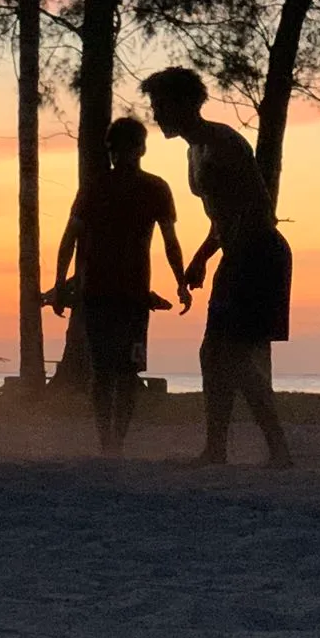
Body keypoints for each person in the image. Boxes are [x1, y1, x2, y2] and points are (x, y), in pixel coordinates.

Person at [139, 68, 294, 468]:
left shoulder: (223, 143)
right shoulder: (194, 151)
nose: (156, 115)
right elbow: (221, 217)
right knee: (217, 355)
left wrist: (234, 258)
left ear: (185, 104)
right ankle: (221, 447)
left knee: (232, 354)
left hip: (258, 253)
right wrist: (203, 257)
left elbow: (254, 209)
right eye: (154, 106)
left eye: (160, 106)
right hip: (238, 252)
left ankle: (272, 447)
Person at [46, 117, 192, 454]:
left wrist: (181, 281)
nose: (120, 156)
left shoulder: (149, 188)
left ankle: (114, 441)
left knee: (122, 372)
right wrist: (57, 284)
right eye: (116, 150)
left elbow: (170, 241)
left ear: (140, 150)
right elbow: (70, 239)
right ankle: (109, 441)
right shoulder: (99, 188)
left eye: (124, 149)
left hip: (130, 296)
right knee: (107, 372)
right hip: (102, 294)